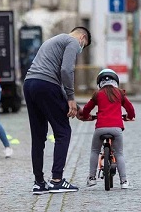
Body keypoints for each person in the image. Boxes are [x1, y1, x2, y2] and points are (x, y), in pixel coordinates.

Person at [23, 26, 91, 195]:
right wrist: (71, 97)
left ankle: (39, 183)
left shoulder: (52, 41)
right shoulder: (73, 42)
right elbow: (66, 70)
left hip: (30, 83)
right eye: (84, 45)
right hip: (45, 85)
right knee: (63, 132)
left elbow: (54, 82)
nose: (80, 50)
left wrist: (73, 105)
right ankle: (57, 180)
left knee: (38, 136)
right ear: (82, 37)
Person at [80, 69, 136, 189]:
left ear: (99, 82)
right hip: (116, 129)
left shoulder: (97, 94)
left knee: (95, 151)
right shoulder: (120, 93)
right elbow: (130, 109)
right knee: (119, 153)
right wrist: (129, 117)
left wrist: (86, 117)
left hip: (100, 128)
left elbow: (86, 109)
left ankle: (91, 178)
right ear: (116, 81)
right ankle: (124, 181)